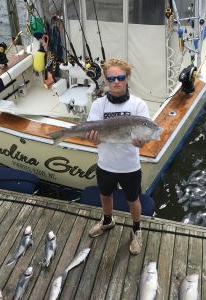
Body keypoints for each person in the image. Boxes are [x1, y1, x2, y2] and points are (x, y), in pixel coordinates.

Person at [85, 58, 149, 255]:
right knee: (105, 195)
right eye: (111, 78)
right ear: (106, 80)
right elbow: (92, 135)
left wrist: (142, 142)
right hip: (105, 163)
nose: (116, 82)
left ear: (127, 78)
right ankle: (107, 221)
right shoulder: (98, 105)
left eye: (120, 77)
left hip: (129, 165)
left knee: (133, 200)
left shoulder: (138, 105)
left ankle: (137, 229)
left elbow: (146, 135)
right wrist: (93, 139)